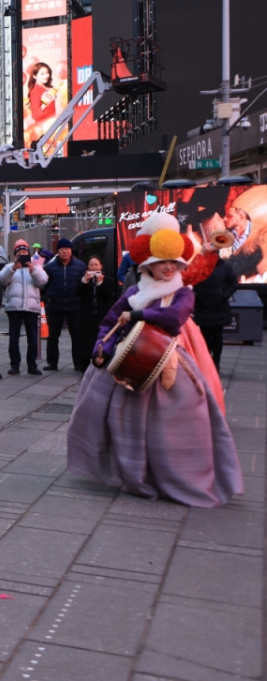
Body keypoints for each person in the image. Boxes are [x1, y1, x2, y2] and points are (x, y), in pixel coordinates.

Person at [66, 213, 242, 507]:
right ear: (149, 264)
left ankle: (177, 474)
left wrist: (137, 314)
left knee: (178, 422)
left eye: (173, 262)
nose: (169, 267)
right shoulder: (135, 291)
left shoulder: (182, 291)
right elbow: (109, 323)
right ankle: (134, 473)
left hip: (171, 358)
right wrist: (101, 350)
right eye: (163, 262)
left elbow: (174, 318)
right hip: (131, 364)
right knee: (124, 423)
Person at [0, 240, 47, 376]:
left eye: (24, 252)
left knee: (32, 337)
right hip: (14, 307)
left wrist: (33, 270)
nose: (22, 254)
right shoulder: (9, 266)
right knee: (13, 338)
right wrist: (13, 268)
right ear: (15, 255)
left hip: (31, 308)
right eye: (19, 253)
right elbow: (1, 280)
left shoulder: (36, 267)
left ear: (29, 253)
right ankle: (15, 365)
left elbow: (43, 281)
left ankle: (32, 365)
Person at [43, 238, 86, 371]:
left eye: (67, 249)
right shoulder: (49, 267)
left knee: (76, 336)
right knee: (53, 336)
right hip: (55, 306)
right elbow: (43, 286)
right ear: (58, 252)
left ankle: (78, 363)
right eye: (62, 250)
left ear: (71, 251)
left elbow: (84, 285)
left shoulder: (80, 266)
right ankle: (52, 362)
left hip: (75, 306)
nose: (65, 252)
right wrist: (47, 299)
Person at [191, 253, 237, 372]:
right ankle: (206, 363)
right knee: (204, 337)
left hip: (219, 307)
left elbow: (233, 283)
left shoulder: (225, 267)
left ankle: (216, 362)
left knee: (217, 337)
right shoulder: (200, 266)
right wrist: (196, 296)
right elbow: (192, 282)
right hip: (202, 307)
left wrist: (224, 295)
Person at [74, 256, 113, 374]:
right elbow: (77, 293)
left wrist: (100, 283)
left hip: (102, 315)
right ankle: (84, 365)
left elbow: (108, 296)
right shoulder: (84, 280)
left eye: (96, 265)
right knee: (85, 340)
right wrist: (85, 281)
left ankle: (102, 361)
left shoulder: (108, 280)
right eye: (91, 265)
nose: (94, 267)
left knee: (101, 339)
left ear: (101, 266)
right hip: (86, 315)